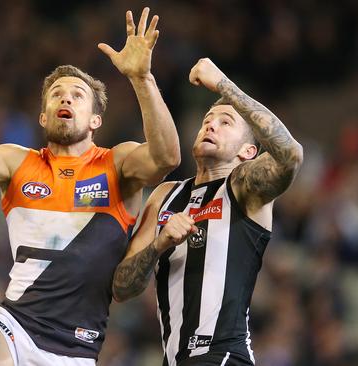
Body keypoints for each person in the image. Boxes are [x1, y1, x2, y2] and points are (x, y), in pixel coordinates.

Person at [0, 8, 181, 366]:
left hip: (76, 345)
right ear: (43, 115)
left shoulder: (117, 164)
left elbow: (167, 157)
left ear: (95, 119)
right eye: (56, 94)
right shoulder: (16, 161)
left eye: (77, 95)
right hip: (14, 324)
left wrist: (142, 78)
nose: (66, 99)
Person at [111, 57, 304, 365]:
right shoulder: (165, 194)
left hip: (223, 356)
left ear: (248, 152)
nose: (211, 124)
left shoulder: (243, 188)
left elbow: (291, 156)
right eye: (207, 120)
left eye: (226, 122)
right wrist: (159, 245)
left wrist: (221, 83)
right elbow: (122, 287)